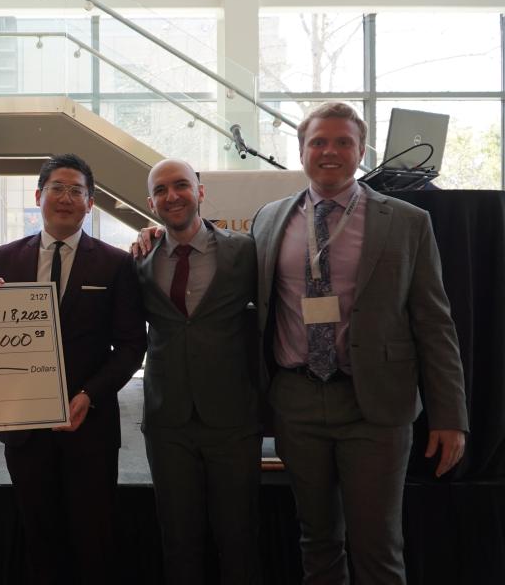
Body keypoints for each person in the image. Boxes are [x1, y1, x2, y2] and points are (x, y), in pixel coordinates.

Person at [251, 101, 468, 584]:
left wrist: (450, 415)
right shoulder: (269, 219)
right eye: (318, 142)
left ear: (361, 150)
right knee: (317, 539)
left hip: (376, 405)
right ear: (303, 150)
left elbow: (435, 322)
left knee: (377, 545)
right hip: (296, 401)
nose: (330, 151)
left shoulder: (407, 222)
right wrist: (156, 236)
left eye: (343, 142)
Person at [0, 153, 147, 585]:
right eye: (57, 188)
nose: (66, 197)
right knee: (41, 538)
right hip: (24, 426)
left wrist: (89, 396)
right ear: (38, 196)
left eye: (77, 190)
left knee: (94, 540)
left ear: (90, 204)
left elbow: (133, 346)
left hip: (89, 425)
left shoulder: (116, 263)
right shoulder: (4, 260)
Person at [136, 158, 261, 584]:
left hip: (233, 420)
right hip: (167, 421)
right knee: (179, 541)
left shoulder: (245, 251)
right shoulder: (138, 260)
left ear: (200, 192)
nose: (172, 196)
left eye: (181, 185)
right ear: (150, 202)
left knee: (239, 538)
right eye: (161, 190)